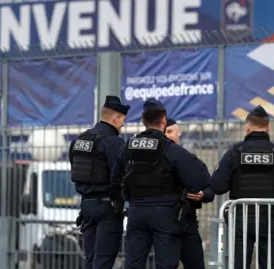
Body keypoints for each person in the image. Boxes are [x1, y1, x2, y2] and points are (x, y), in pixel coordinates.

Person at [110, 98, 209, 269]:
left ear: (143, 121)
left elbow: (114, 181)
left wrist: (122, 203)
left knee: (133, 264)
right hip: (165, 214)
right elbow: (196, 183)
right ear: (163, 120)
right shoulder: (172, 150)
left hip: (136, 212)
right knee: (166, 264)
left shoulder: (128, 147)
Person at [211, 105, 274, 269]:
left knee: (239, 264)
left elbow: (217, 186)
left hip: (241, 218)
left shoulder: (235, 152)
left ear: (247, 128)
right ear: (268, 127)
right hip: (271, 219)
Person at [69, 95, 129, 269]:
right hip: (108, 208)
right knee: (103, 261)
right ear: (115, 118)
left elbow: (76, 169)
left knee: (90, 260)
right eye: (123, 120)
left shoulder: (79, 140)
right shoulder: (114, 143)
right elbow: (122, 176)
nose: (123, 124)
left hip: (86, 207)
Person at [165, 118, 215, 269]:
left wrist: (202, 195)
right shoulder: (155, 164)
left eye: (170, 131)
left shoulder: (193, 161)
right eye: (164, 132)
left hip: (187, 225)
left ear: (179, 131)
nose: (167, 136)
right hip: (163, 227)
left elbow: (210, 189)